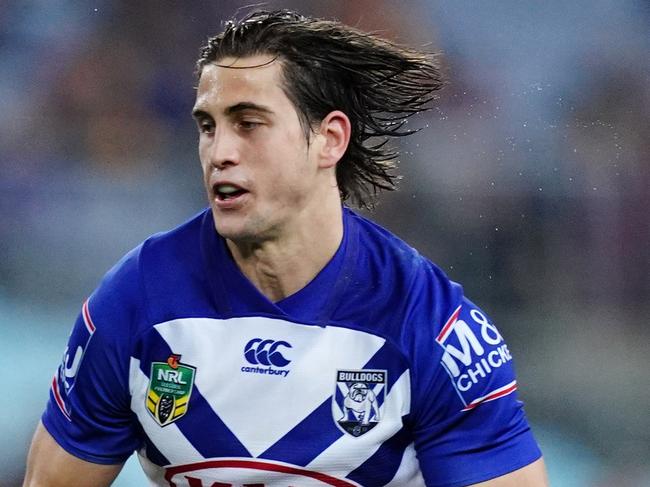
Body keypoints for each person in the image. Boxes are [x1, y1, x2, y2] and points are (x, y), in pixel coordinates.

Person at [23, 9, 548, 487]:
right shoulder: (138, 297)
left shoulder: (428, 322)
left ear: (329, 139)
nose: (220, 152)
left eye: (249, 123)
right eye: (208, 126)